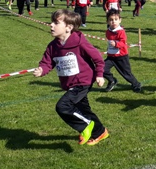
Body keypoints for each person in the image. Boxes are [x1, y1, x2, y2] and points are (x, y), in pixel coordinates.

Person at [33, 9, 109, 146]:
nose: (51, 25)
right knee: (83, 110)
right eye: (51, 22)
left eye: (56, 23)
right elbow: (47, 62)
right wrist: (41, 70)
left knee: (63, 106)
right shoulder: (53, 46)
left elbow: (97, 58)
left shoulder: (79, 42)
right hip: (70, 83)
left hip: (82, 81)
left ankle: (86, 126)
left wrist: (99, 74)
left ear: (68, 27)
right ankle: (100, 131)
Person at [103, 10, 142, 93]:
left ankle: (136, 84)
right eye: (111, 20)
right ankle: (112, 80)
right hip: (111, 56)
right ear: (107, 21)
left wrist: (116, 44)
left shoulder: (121, 31)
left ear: (120, 20)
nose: (113, 21)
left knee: (126, 73)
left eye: (116, 19)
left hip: (121, 57)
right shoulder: (108, 31)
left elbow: (123, 42)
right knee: (101, 69)